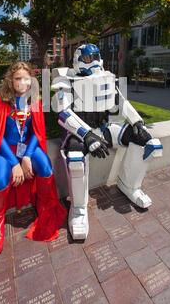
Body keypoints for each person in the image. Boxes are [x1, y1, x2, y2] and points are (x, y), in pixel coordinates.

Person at [51, 44, 163, 240]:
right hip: (79, 133)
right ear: (78, 59)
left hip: (104, 128)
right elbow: (63, 113)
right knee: (76, 157)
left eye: (96, 57)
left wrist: (136, 121)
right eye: (88, 58)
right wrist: (87, 135)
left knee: (144, 139)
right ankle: (78, 209)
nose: (93, 61)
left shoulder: (107, 78)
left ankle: (130, 185)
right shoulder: (67, 81)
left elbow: (120, 102)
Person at [0, 62, 67, 258]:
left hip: (27, 149)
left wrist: (26, 156)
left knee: (46, 167)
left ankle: (44, 206)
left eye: (26, 78)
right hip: (5, 150)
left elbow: (37, 133)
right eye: (18, 78)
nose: (22, 82)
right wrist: (14, 163)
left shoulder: (34, 102)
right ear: (10, 80)